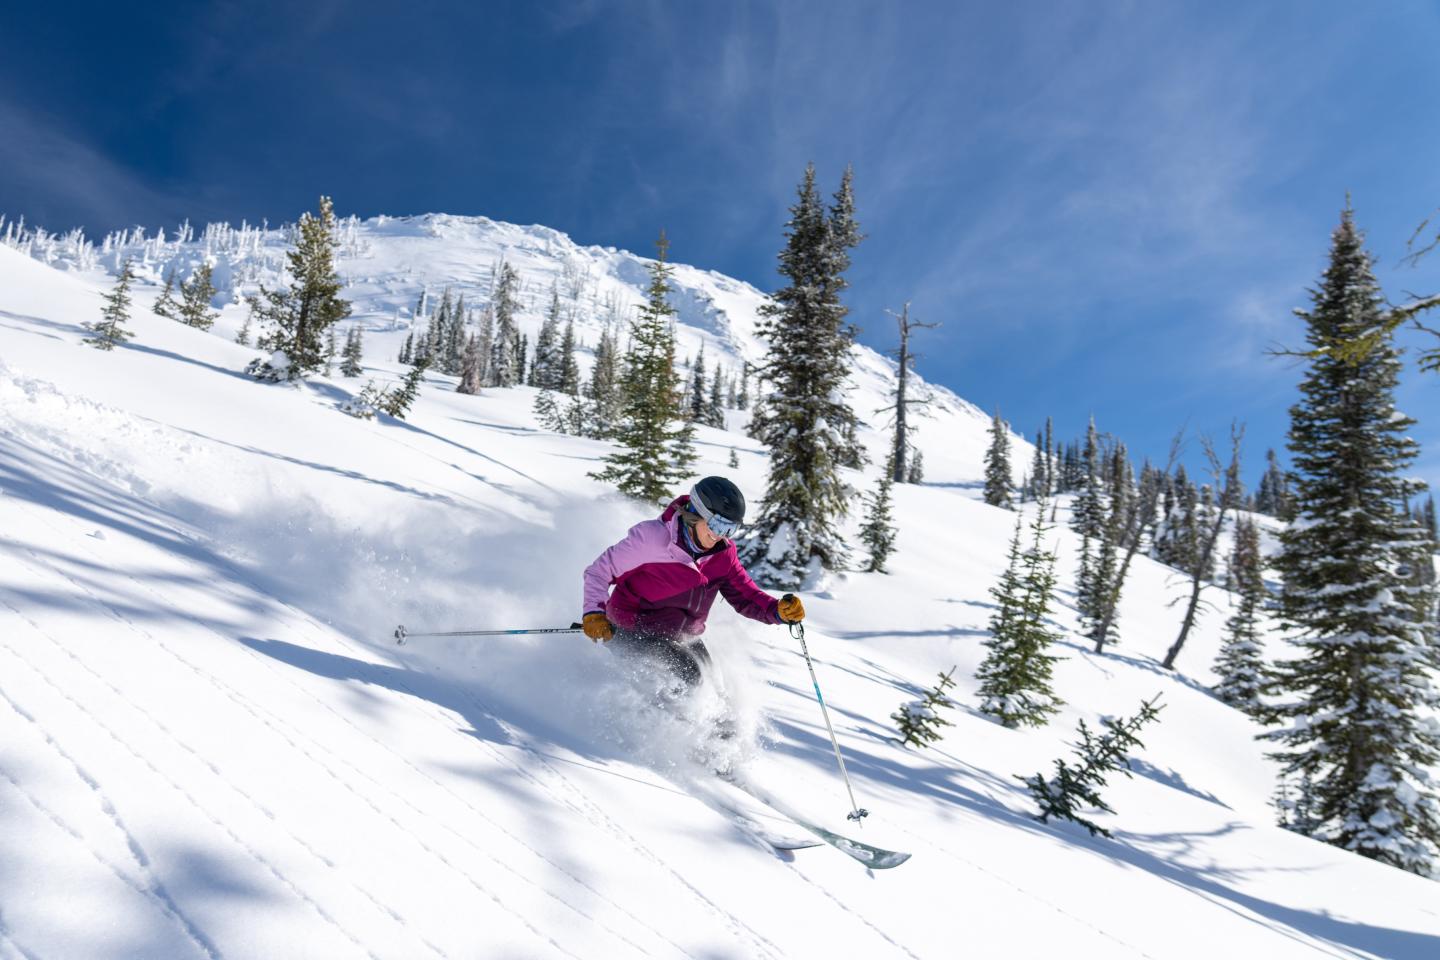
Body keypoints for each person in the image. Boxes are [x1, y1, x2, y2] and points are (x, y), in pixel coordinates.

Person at [582, 476, 805, 690]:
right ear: (696, 514)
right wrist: (594, 612)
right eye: (718, 526)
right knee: (692, 678)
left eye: (731, 529)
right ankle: (664, 727)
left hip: (682, 636)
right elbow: (599, 572)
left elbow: (746, 595)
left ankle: (721, 729)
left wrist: (777, 611)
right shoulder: (652, 540)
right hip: (632, 631)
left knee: (715, 684)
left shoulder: (723, 555)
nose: (721, 535)